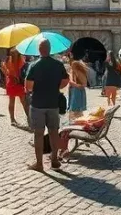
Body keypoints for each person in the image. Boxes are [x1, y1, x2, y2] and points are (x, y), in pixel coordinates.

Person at [25, 39, 70, 172]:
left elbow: (28, 86)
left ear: (39, 50)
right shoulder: (58, 64)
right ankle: (54, 160)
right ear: (50, 49)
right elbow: (66, 80)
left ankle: (39, 164)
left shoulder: (33, 65)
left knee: (38, 134)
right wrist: (57, 87)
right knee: (53, 132)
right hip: (53, 103)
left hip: (38, 103)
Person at [2, 49, 29, 125]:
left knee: (18, 101)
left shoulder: (10, 60)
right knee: (20, 101)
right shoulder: (20, 59)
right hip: (15, 82)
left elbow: (5, 71)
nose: (15, 54)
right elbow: (6, 71)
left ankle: (14, 119)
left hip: (14, 82)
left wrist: (8, 75)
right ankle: (15, 119)